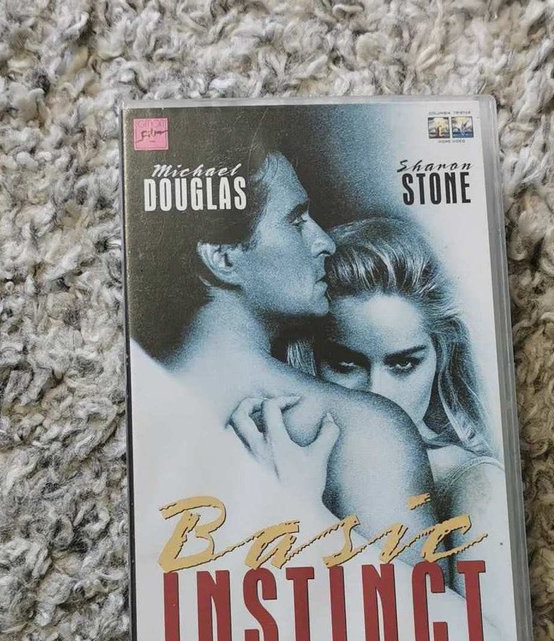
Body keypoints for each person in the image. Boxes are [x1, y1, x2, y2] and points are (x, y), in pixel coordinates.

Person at [129, 142, 440, 561]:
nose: (325, 242)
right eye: (297, 221)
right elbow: (420, 604)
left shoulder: (133, 406)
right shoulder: (365, 433)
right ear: (223, 258)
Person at [285, 217, 505, 530]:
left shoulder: (473, 486)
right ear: (309, 359)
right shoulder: (281, 463)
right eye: (345, 365)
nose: (377, 394)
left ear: (441, 358)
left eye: (403, 364)